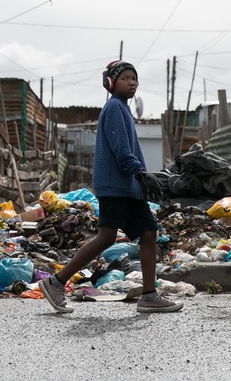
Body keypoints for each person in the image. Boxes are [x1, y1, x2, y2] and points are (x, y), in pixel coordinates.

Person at [39, 60, 183, 313]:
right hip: (117, 186)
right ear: (111, 82)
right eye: (126, 78)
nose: (132, 82)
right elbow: (121, 150)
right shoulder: (114, 108)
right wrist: (139, 172)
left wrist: (140, 176)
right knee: (106, 237)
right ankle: (56, 282)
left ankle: (149, 296)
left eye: (134, 78)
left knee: (149, 233)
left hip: (128, 186)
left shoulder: (123, 110)